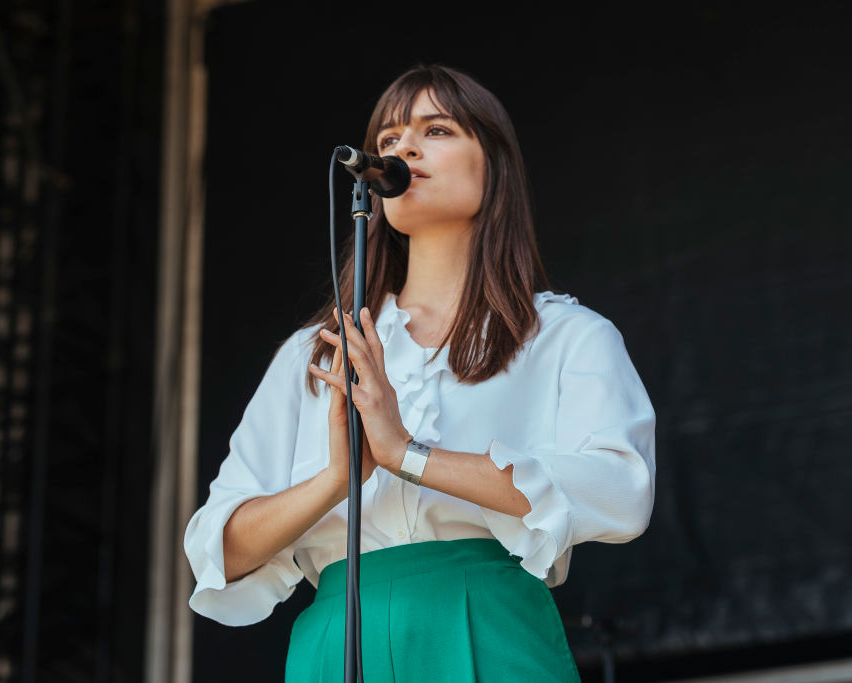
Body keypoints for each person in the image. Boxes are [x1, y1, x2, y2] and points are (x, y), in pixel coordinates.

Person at [184, 64, 655, 682]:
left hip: (487, 624)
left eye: (436, 130)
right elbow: (220, 552)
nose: (404, 147)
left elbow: (622, 492)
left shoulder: (565, 336)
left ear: (494, 165)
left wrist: (407, 454)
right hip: (337, 636)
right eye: (389, 138)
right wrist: (338, 479)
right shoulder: (318, 352)